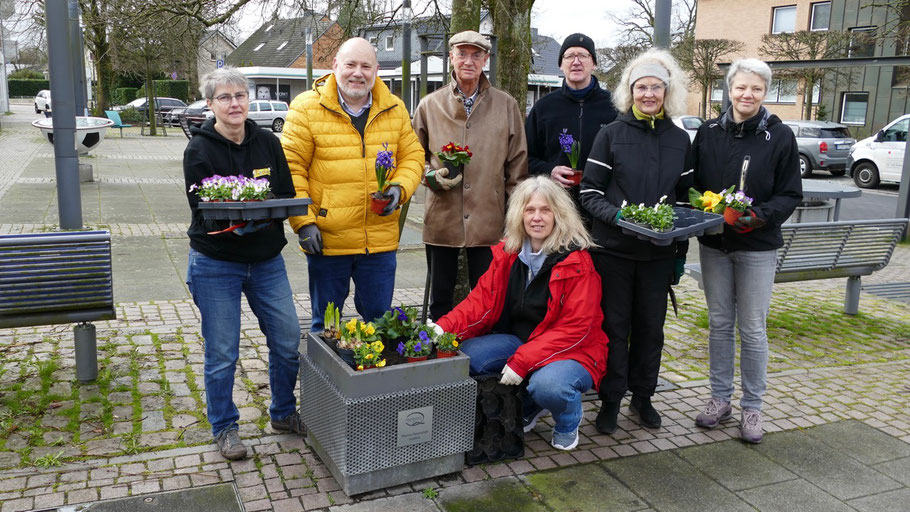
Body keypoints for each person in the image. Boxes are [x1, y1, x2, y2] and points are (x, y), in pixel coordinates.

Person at [183, 67, 304, 461]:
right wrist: (240, 219)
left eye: (240, 95)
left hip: (266, 261)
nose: (234, 104)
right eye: (224, 97)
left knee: (287, 342)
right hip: (216, 263)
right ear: (210, 104)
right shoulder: (198, 150)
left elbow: (285, 192)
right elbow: (203, 211)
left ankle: (283, 414)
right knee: (223, 353)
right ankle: (224, 427)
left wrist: (264, 215)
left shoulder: (268, 141)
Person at [435, 176, 608, 451]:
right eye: (530, 210)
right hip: (525, 342)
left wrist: (522, 361)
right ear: (520, 214)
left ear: (558, 215)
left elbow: (576, 329)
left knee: (550, 385)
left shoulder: (578, 263)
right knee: (469, 354)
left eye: (545, 210)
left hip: (573, 350)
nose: (537, 218)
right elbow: (480, 301)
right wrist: (443, 328)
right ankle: (530, 405)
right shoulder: (509, 253)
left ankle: (567, 419)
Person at [579, 48, 693, 435]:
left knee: (651, 329)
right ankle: (610, 399)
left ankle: (643, 397)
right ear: (630, 92)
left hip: (658, 256)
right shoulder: (611, 135)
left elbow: (683, 201)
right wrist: (619, 217)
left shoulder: (680, 140)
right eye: (641, 87)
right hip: (614, 252)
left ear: (666, 91)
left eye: (655, 87)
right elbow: (589, 194)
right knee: (614, 328)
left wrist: (680, 251)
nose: (648, 94)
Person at [691, 58, 802, 444]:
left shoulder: (780, 136)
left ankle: (752, 408)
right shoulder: (707, 133)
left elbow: (791, 194)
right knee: (720, 324)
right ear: (730, 89)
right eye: (740, 87)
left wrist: (759, 217)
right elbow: (692, 187)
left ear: (765, 93)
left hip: (756, 246)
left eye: (755, 89)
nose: (747, 95)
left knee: (752, 328)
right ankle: (719, 399)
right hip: (715, 245)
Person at [282, 37, 424, 332]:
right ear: (335, 66)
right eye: (350, 65)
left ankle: (372, 376)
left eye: (366, 66)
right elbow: (291, 169)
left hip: (379, 241)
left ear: (376, 70)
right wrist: (303, 223)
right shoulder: (306, 108)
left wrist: (399, 188)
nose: (357, 73)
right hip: (327, 240)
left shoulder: (394, 108)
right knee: (326, 326)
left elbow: (413, 157)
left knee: (379, 323)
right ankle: (325, 378)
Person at [412, 30, 528, 320]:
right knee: (440, 298)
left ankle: (481, 355)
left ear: (486, 59)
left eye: (476, 55)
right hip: (442, 217)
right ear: (451, 56)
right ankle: (438, 354)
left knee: (488, 296)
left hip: (489, 219)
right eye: (462, 53)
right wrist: (430, 176)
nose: (469, 61)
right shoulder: (430, 105)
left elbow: (517, 165)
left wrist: (514, 220)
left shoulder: (506, 105)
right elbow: (412, 157)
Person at [525, 33, 617, 207]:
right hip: (556, 204)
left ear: (594, 64)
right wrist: (549, 170)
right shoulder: (543, 108)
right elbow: (526, 157)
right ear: (561, 65)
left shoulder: (614, 106)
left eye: (583, 55)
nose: (576, 62)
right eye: (569, 56)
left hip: (604, 204)